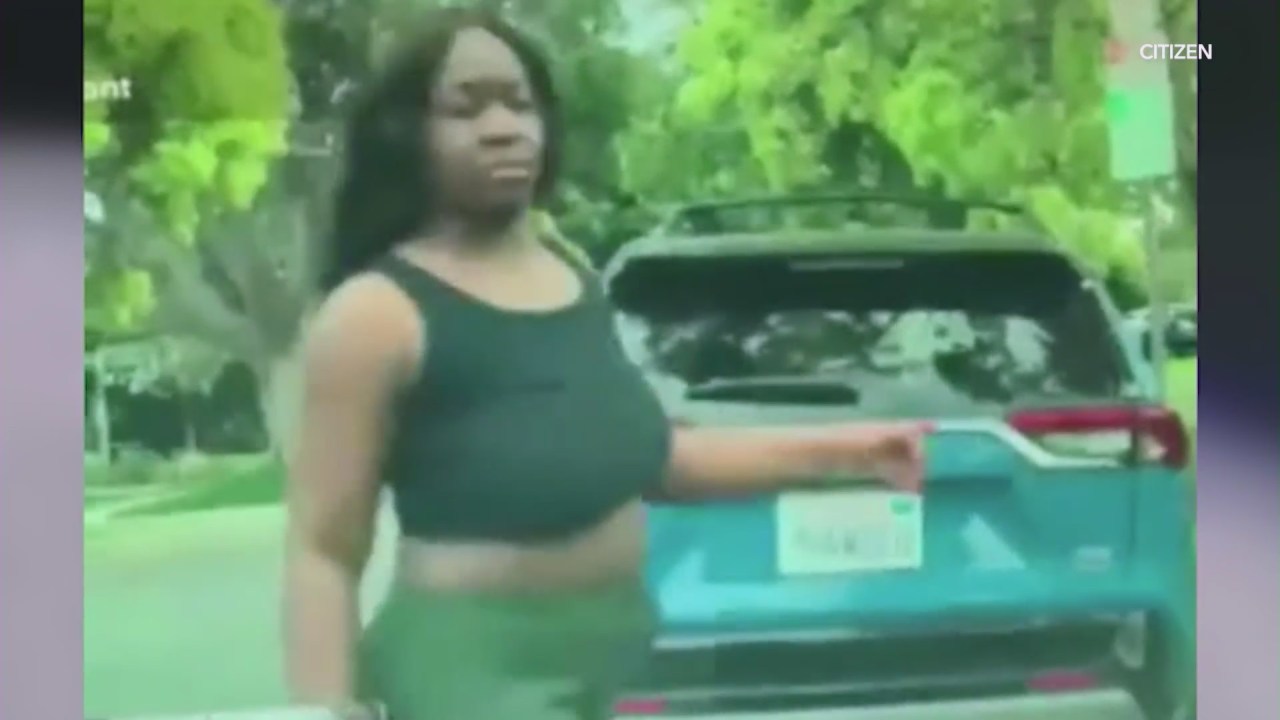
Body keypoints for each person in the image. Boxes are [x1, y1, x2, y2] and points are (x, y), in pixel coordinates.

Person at [283, 8, 928, 720]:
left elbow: (652, 460)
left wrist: (852, 451)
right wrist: (327, 708)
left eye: (519, 103)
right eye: (465, 109)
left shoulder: (570, 273)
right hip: (474, 674)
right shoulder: (375, 314)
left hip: (611, 657)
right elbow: (323, 549)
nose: (503, 127)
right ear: (407, 133)